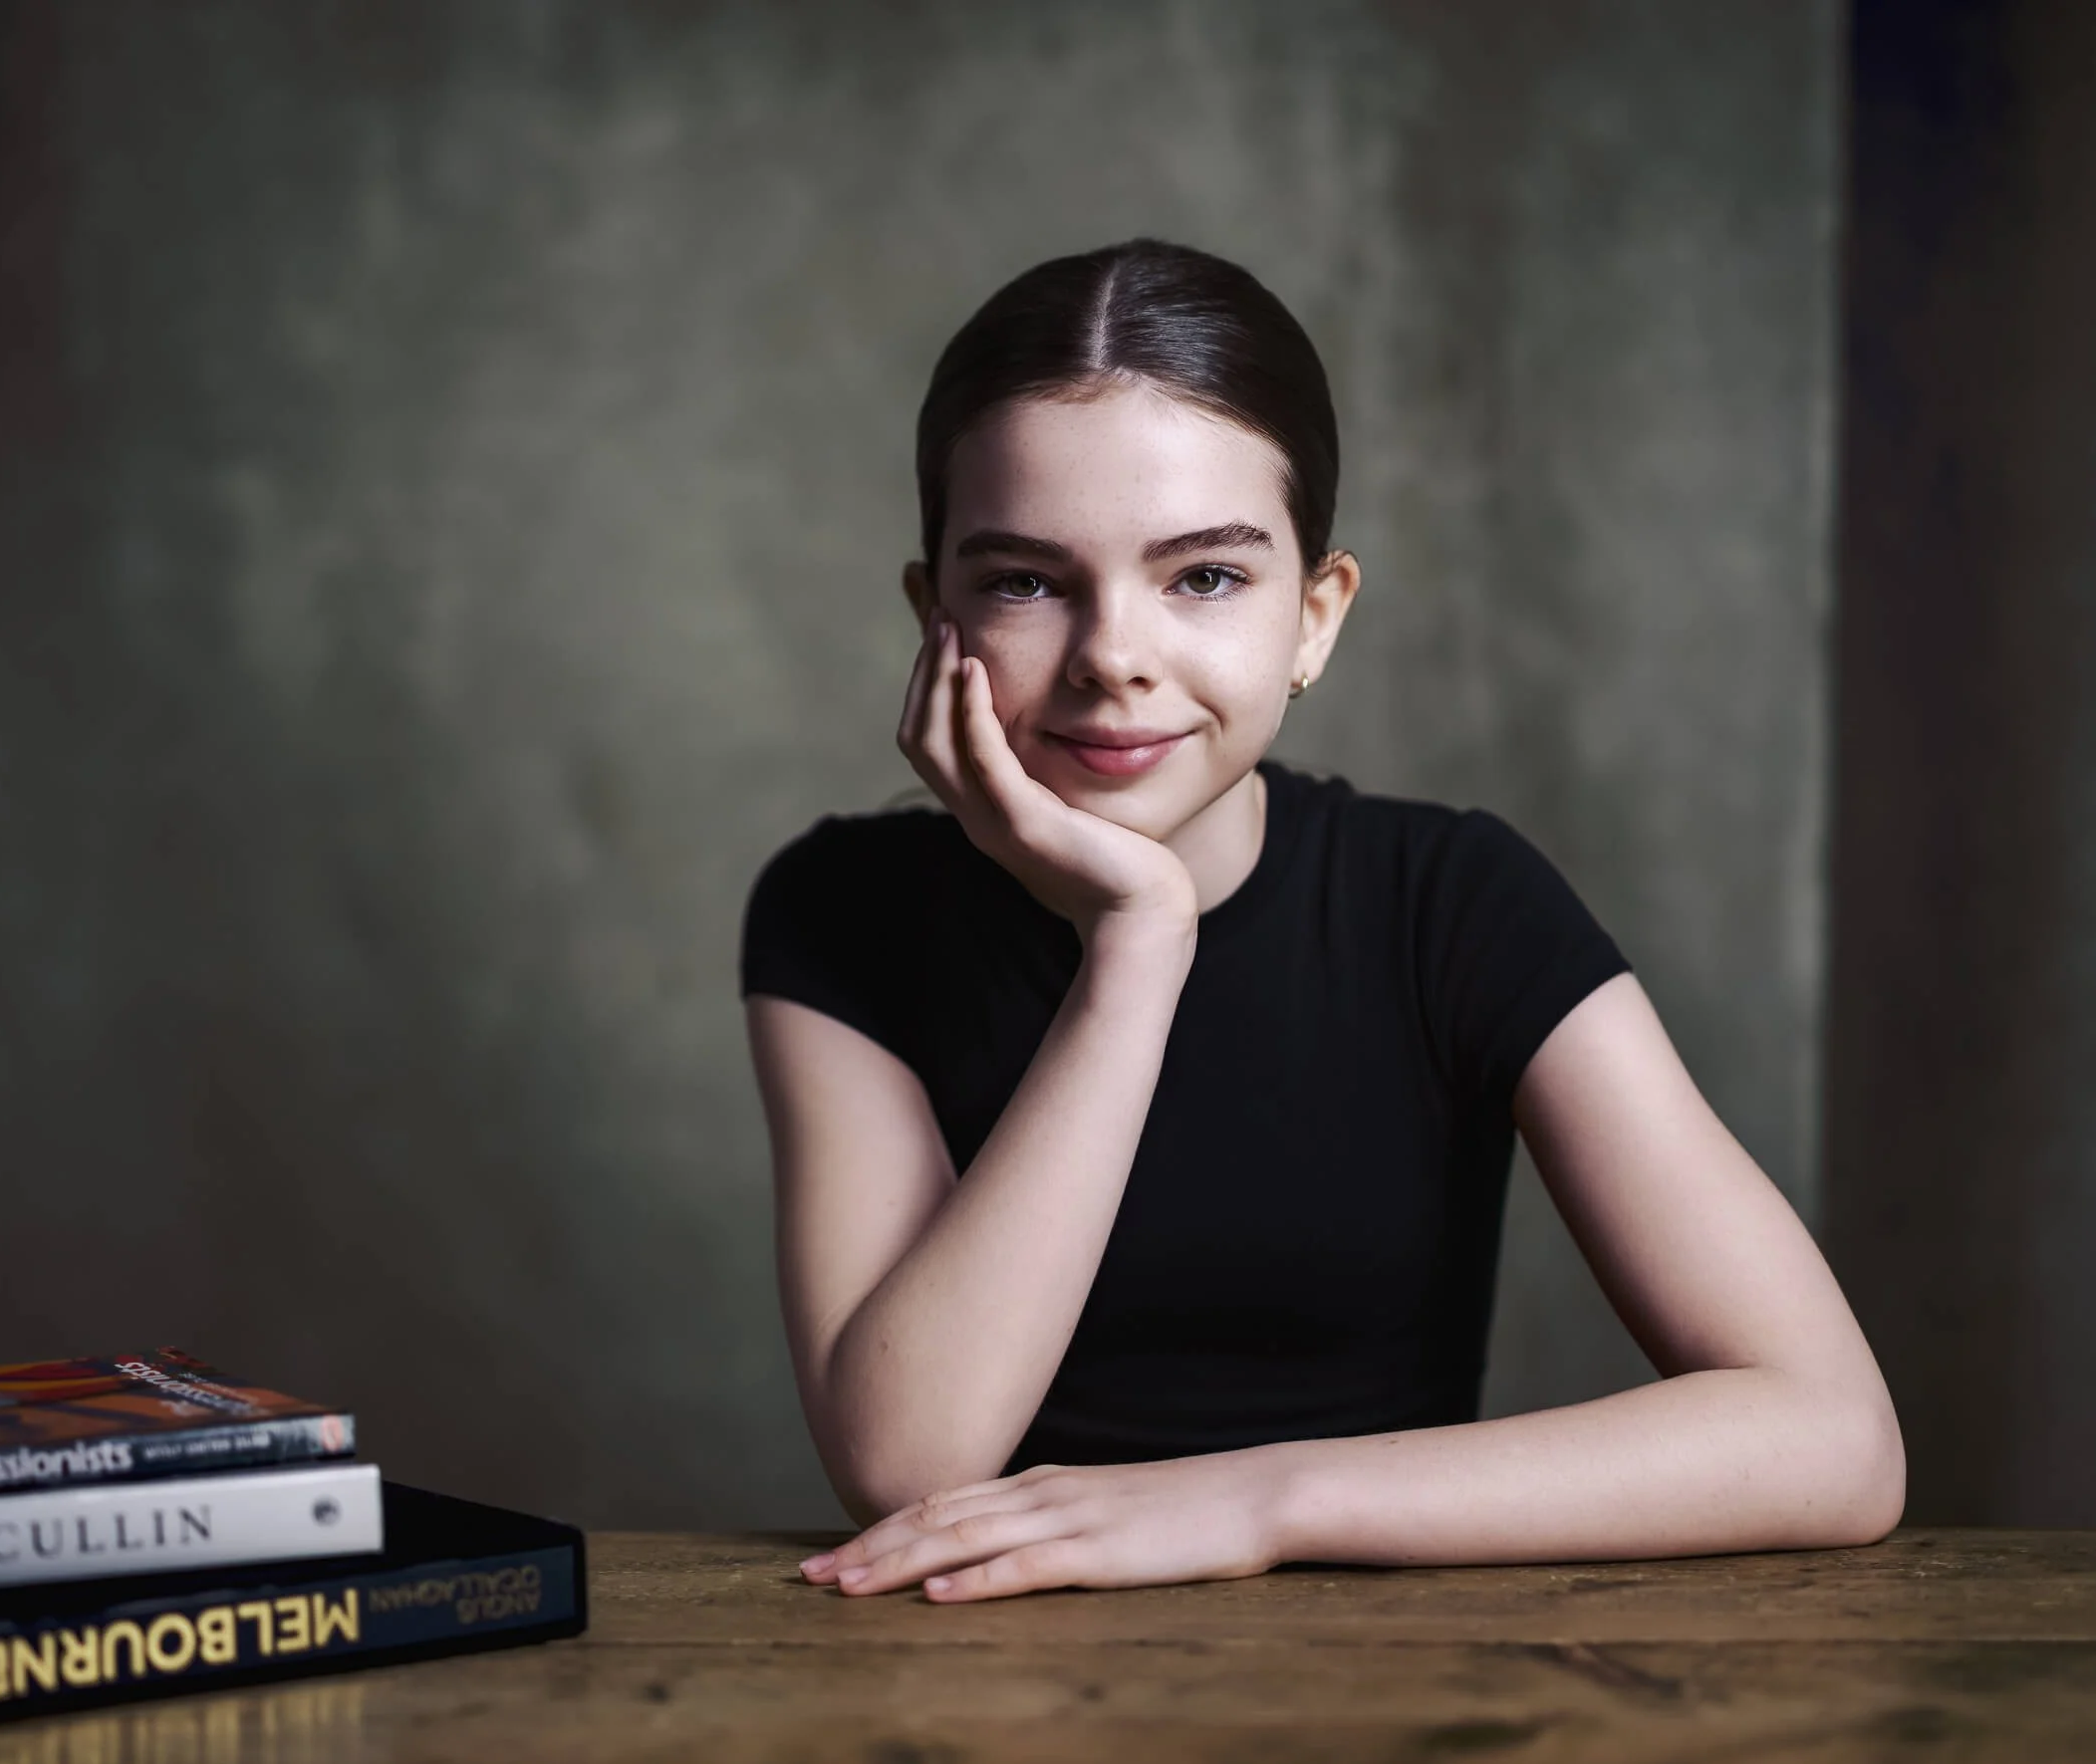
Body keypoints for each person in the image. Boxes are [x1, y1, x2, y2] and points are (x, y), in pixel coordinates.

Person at [739, 237, 1903, 1604]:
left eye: (1206, 577)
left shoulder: (1451, 901)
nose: (1116, 653)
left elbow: (1834, 1436)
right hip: (970, 1693)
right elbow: (911, 1462)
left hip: (1395, 1683)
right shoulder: (842, 907)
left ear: (1315, 615)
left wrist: (1262, 1498)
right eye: (1028, 582)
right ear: (932, 615)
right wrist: (1139, 942)